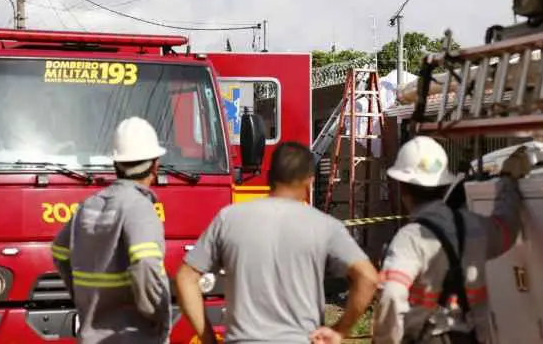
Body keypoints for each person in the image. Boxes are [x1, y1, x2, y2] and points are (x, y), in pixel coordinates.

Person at [175, 141, 379, 344]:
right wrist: (339, 331)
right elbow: (368, 278)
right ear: (309, 181)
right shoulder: (324, 226)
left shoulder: (228, 219)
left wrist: (208, 338)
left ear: (269, 176)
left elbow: (186, 278)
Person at [373, 136, 531, 344]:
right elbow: (507, 229)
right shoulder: (474, 226)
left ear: (403, 189)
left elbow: (391, 295)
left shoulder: (409, 239)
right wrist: (509, 180)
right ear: (444, 186)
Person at [51, 116, 171, 344]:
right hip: (134, 336)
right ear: (156, 165)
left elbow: (59, 251)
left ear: (115, 164)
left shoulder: (89, 204)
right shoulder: (140, 207)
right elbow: (146, 263)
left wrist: (84, 298)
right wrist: (157, 315)